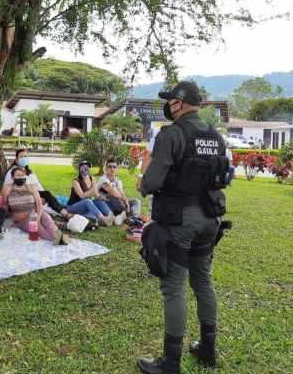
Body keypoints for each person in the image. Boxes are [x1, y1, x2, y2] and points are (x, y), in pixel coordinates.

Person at [137, 81, 228, 374]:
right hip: (209, 219)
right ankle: (207, 349)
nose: (169, 106)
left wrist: (141, 182)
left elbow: (151, 181)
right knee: (202, 281)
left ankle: (171, 363)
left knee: (173, 286)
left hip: (180, 220)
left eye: (171, 101)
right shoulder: (215, 136)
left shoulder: (172, 134)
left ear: (178, 102)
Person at [2, 166, 70, 245]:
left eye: (22, 175)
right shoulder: (7, 188)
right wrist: (3, 220)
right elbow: (5, 206)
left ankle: (59, 236)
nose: (21, 177)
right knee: (39, 228)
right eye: (18, 175)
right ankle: (58, 239)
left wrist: (38, 216)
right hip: (22, 220)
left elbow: (39, 204)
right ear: (13, 178)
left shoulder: (31, 187)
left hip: (35, 213)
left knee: (47, 221)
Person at [4, 149, 72, 220]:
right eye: (21, 156)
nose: (24, 158)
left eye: (26, 156)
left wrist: (42, 197)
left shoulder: (30, 172)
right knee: (49, 200)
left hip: (36, 194)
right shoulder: (12, 172)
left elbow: (38, 186)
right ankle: (66, 214)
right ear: (16, 160)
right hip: (23, 197)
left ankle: (66, 213)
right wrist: (37, 198)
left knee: (49, 196)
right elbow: (11, 189)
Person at [66, 160, 115, 226]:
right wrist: (94, 188)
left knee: (97, 201)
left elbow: (96, 195)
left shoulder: (92, 179)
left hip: (86, 206)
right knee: (87, 201)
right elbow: (82, 196)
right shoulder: (75, 181)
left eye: (87, 166)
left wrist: (103, 197)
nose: (85, 168)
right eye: (83, 166)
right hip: (73, 207)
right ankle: (103, 219)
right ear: (79, 168)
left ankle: (110, 215)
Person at [96, 158, 141, 225]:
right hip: (106, 203)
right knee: (113, 198)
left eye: (114, 167)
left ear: (117, 169)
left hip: (118, 203)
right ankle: (124, 215)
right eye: (110, 167)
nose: (112, 169)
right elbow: (113, 192)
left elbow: (122, 192)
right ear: (106, 169)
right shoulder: (103, 179)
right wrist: (124, 201)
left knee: (136, 201)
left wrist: (127, 203)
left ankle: (133, 218)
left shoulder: (118, 181)